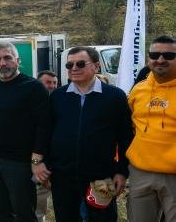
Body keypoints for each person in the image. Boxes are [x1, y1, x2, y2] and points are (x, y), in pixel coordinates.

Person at [45, 46, 133, 222]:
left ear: (96, 66)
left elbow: (125, 137)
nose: (74, 68)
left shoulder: (115, 97)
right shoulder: (58, 97)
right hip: (63, 177)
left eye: (80, 63)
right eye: (69, 65)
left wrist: (122, 172)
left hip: (101, 177)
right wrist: (45, 165)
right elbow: (47, 134)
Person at [0, 42, 50, 222]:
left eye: (7, 57)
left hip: (20, 163)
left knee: (24, 213)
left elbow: (44, 126)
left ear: (17, 60)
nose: (2, 63)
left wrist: (36, 160)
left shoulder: (33, 87)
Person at [126, 35, 176, 222]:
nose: (160, 59)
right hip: (140, 172)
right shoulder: (138, 90)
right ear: (148, 58)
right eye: (155, 54)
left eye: (169, 55)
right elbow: (131, 125)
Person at [35, 70, 58, 222]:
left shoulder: (60, 102)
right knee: (38, 206)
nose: (52, 86)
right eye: (48, 82)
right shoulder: (32, 105)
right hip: (38, 163)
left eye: (55, 83)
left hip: (59, 162)